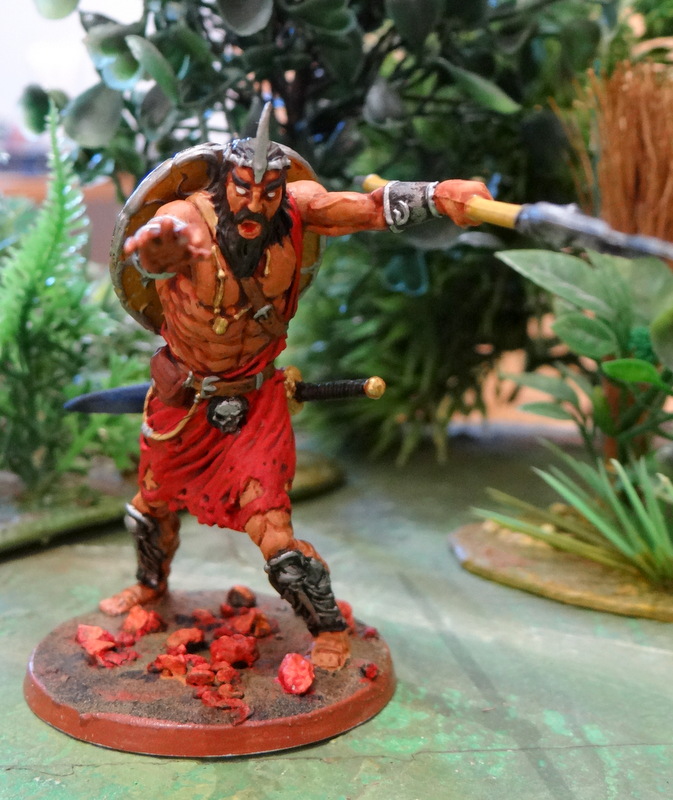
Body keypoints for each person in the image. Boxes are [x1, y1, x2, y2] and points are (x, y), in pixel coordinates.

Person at [100, 104, 492, 669]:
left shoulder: (297, 209)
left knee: (276, 537)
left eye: (268, 191)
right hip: (185, 402)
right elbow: (160, 249)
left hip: (255, 400)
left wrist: (438, 195)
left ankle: (328, 630)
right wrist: (160, 249)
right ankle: (149, 586)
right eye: (242, 188)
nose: (255, 204)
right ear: (224, 183)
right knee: (149, 507)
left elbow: (367, 208)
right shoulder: (186, 218)